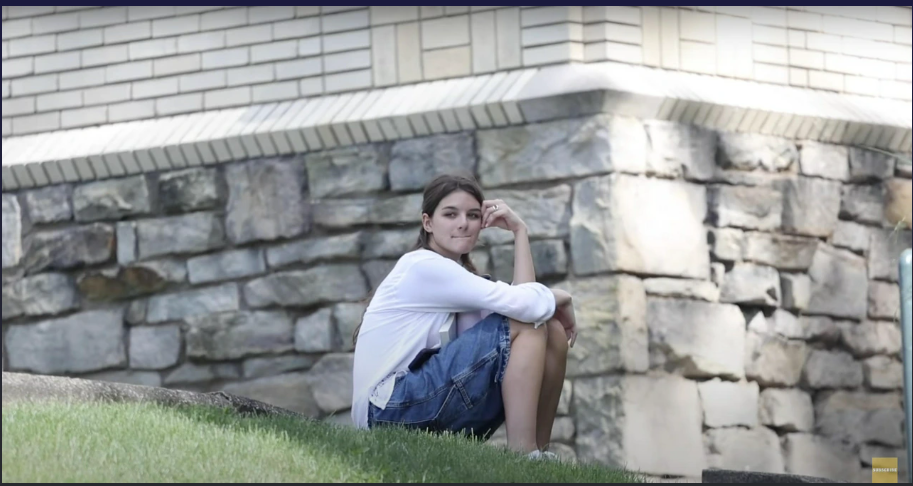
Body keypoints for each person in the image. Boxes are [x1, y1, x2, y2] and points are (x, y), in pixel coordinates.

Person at [350, 173, 578, 460]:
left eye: (472, 215)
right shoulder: (422, 266)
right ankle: (524, 453)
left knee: (552, 331)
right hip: (386, 412)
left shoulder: (461, 280)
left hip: (417, 404)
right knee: (525, 321)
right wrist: (561, 296)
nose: (463, 223)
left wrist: (520, 232)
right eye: (450, 214)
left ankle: (538, 457)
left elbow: (527, 305)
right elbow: (525, 308)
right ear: (427, 223)